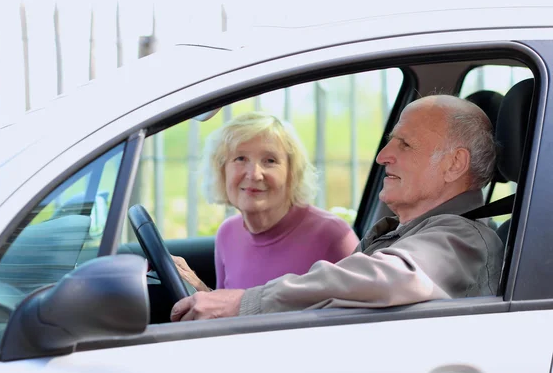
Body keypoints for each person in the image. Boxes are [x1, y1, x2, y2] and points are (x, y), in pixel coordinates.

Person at [170, 94, 504, 322]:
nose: (383, 155)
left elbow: (395, 278)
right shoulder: (410, 232)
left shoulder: (463, 236)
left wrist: (246, 303)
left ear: (454, 164)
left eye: (404, 143)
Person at [173, 112, 359, 292]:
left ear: (292, 173)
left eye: (269, 161)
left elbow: (364, 318)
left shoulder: (333, 235)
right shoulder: (227, 233)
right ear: (222, 171)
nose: (254, 174)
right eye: (240, 158)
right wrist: (199, 289)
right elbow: (230, 317)